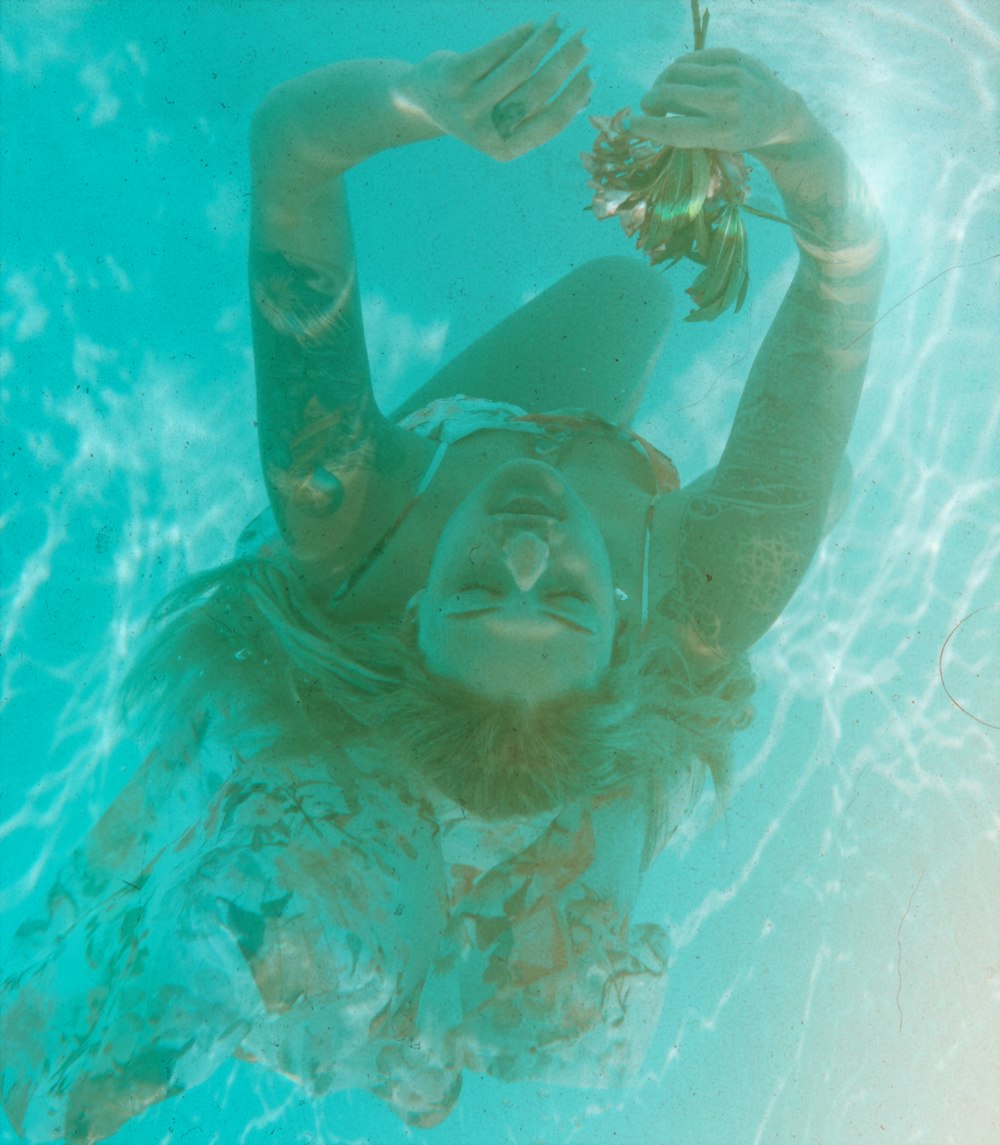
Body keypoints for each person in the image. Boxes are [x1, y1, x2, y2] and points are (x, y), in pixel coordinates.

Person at [0, 18, 886, 1143]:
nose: (524, 546)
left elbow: (290, 148)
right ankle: (434, 1034)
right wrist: (789, 134)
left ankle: (255, 1022)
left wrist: (422, 99)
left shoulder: (348, 520)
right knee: (772, 442)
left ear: (413, 615)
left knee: (278, 898)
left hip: (372, 649)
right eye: (562, 596)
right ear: (624, 621)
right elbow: (849, 263)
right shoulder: (706, 585)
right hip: (571, 726)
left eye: (478, 593)